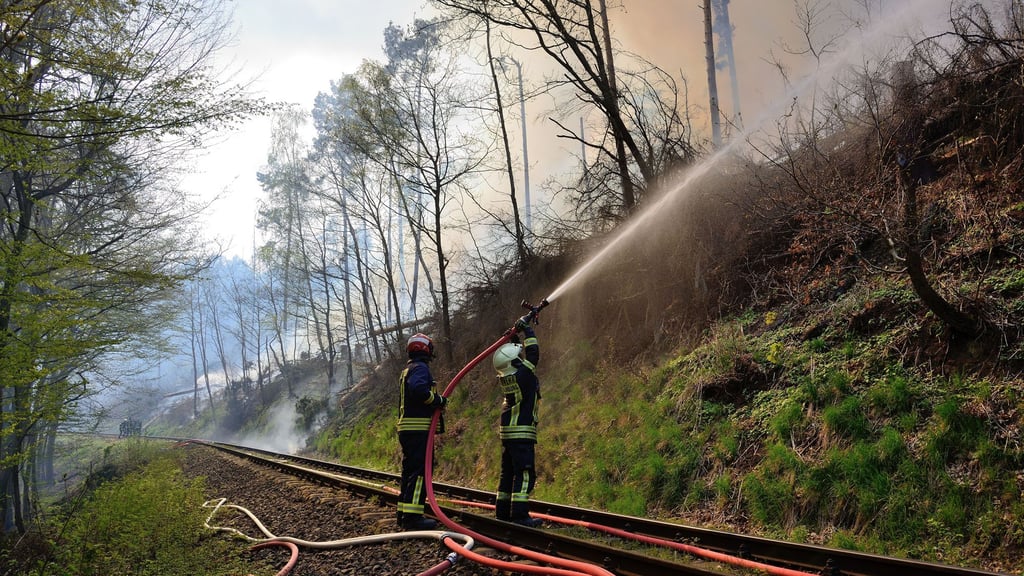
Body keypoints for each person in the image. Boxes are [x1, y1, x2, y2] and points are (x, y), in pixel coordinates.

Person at [491, 317, 544, 528]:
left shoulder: (507, 376)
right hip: (522, 433)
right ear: (513, 361)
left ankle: (502, 513)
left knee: (507, 474)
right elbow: (533, 354)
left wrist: (513, 337)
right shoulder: (523, 375)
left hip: (508, 433)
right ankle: (521, 516)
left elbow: (517, 358)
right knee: (524, 473)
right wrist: (528, 331)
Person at [397, 332, 447, 531]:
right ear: (426, 349)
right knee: (420, 473)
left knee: (409, 472)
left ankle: (403, 514)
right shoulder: (420, 368)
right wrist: (438, 400)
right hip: (418, 429)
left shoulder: (408, 369)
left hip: (408, 429)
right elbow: (418, 390)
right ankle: (413, 518)